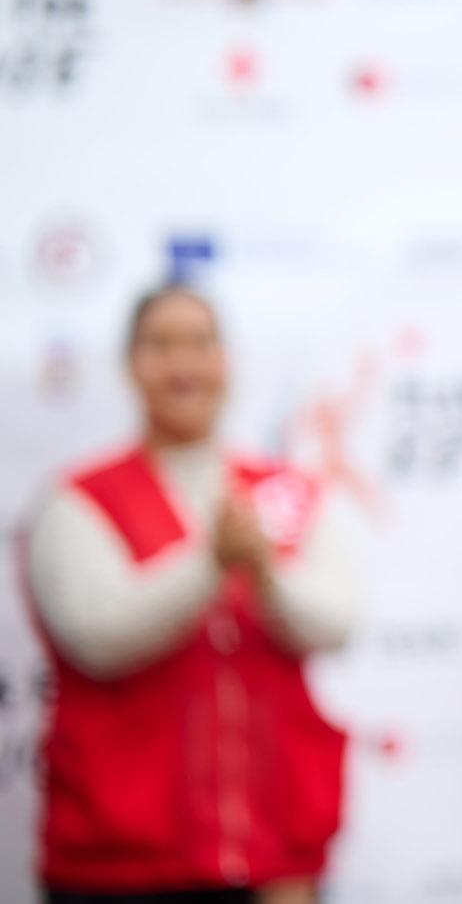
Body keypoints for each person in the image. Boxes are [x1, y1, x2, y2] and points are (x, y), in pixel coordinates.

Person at [24, 285, 356, 904]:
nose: (183, 364)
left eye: (200, 343)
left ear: (225, 359)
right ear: (132, 364)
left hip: (271, 862)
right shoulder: (80, 499)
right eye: (161, 345)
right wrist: (211, 564)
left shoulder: (287, 491)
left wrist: (266, 576)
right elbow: (96, 635)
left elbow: (336, 621)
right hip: (117, 868)